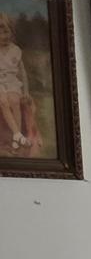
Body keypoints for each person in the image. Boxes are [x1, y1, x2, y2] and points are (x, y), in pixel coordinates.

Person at [0, 10, 42, 156]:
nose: (5, 37)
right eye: (1, 34)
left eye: (8, 33)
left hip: (11, 82)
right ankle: (17, 134)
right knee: (3, 102)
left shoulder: (15, 50)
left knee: (15, 101)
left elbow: (22, 73)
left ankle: (16, 140)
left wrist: (26, 91)